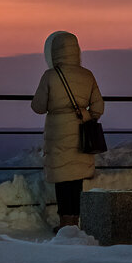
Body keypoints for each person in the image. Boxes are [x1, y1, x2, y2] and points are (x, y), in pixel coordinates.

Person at [30, 30, 104, 231]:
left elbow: (38, 107)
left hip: (58, 132)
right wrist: (85, 116)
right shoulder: (87, 75)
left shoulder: (50, 76)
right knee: (76, 179)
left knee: (62, 180)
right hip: (81, 133)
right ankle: (75, 222)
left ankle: (64, 224)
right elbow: (98, 107)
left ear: (54, 52)